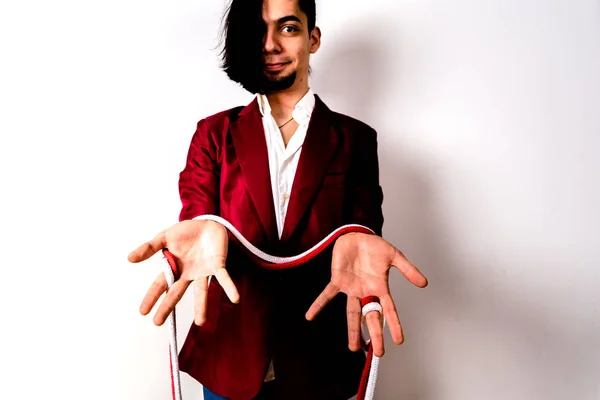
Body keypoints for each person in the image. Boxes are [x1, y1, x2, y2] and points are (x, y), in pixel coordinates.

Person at [128, 0, 428, 399]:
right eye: (259, 30)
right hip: (231, 357)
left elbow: (363, 230)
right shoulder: (212, 134)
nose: (270, 44)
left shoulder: (356, 140)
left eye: (288, 28)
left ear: (313, 39)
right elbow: (197, 216)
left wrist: (363, 239)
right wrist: (202, 231)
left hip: (320, 361)